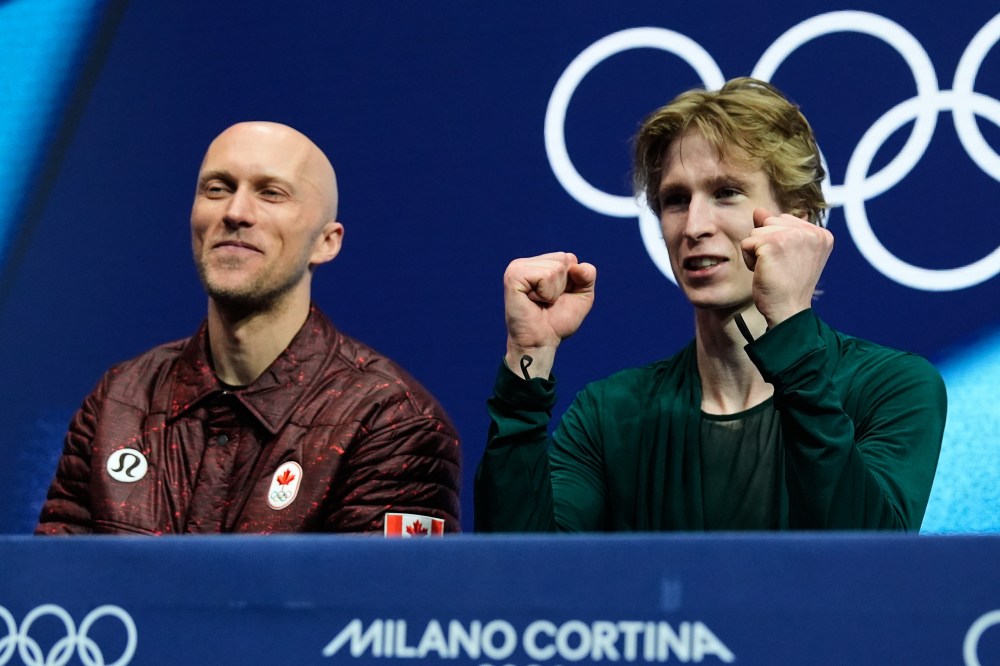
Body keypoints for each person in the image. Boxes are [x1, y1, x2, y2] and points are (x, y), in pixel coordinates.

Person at [475, 78, 945, 532]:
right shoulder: (612, 415)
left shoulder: (891, 388)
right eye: (676, 200)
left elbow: (862, 559)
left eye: (726, 193)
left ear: (796, 220)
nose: (694, 225)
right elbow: (518, 572)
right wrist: (527, 358)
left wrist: (790, 325)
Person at [37, 121, 461, 534]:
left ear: (326, 241)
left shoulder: (390, 422)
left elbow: (374, 585)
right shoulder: (119, 402)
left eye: (271, 193)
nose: (236, 212)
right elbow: (56, 579)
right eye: (217, 189)